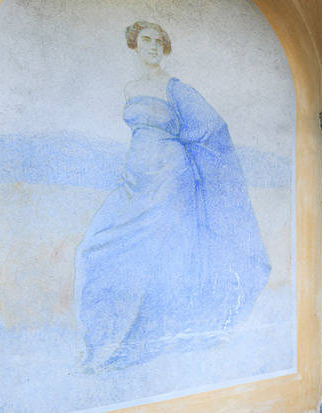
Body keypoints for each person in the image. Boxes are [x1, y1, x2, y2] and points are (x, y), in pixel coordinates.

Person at [74, 21, 271, 372]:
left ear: (164, 48)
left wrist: (188, 163)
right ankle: (104, 337)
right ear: (134, 45)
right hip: (135, 180)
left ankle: (134, 342)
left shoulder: (175, 88)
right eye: (145, 40)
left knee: (157, 255)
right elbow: (140, 135)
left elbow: (213, 128)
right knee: (95, 247)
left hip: (170, 182)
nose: (152, 46)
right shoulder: (131, 88)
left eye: (158, 42)